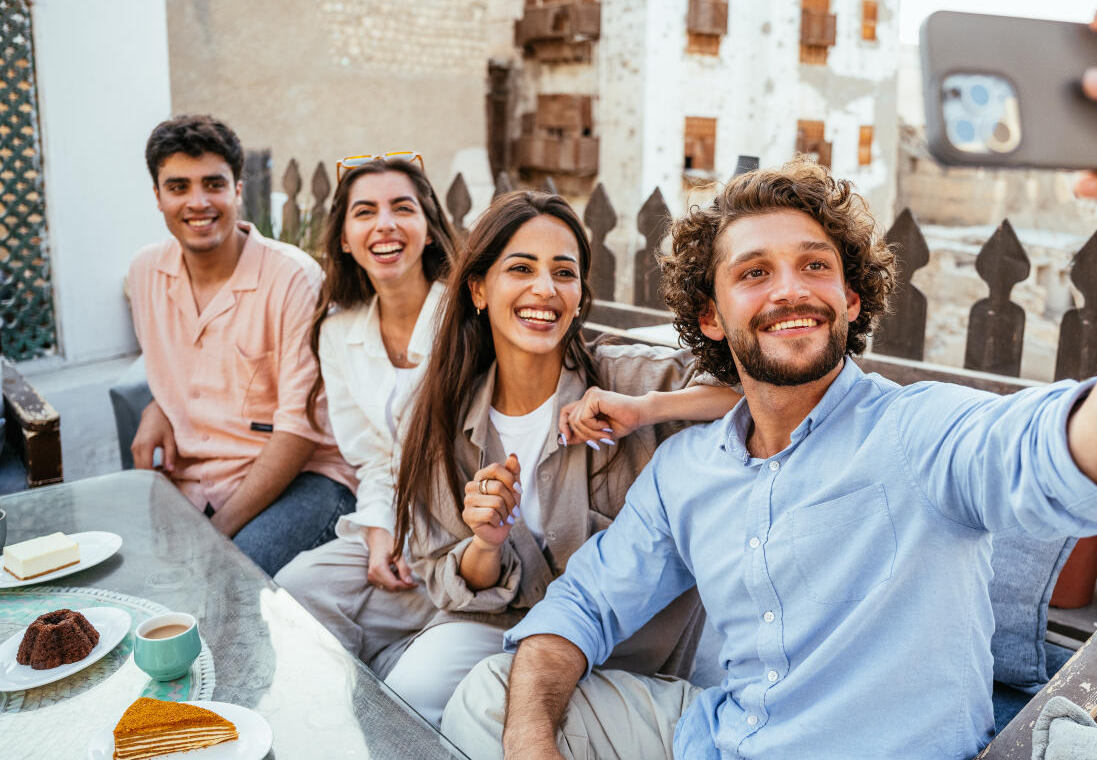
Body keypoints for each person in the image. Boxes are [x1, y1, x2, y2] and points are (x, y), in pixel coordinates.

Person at [443, 2, 1097, 759]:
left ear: (850, 299)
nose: (790, 289)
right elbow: (582, 607)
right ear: (711, 315)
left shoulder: (919, 435)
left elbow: (1091, 446)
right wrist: (530, 744)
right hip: (715, 733)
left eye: (815, 265)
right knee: (494, 694)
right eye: (754, 272)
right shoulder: (685, 471)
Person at [376, 190, 740, 727]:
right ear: (478, 289)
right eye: (521, 268)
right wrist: (486, 543)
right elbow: (449, 580)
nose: (545, 289)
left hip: (627, 651)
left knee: (499, 712)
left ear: (578, 294)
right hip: (503, 625)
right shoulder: (442, 418)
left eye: (563, 273)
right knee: (410, 692)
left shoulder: (627, 379)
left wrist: (646, 410)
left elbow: (757, 390)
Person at [127, 115, 357, 576]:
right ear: (157, 196)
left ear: (237, 190)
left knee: (224, 579)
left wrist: (214, 536)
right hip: (194, 480)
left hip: (304, 480)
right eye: (178, 187)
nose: (198, 202)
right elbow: (183, 370)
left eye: (213, 184)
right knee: (133, 575)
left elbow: (299, 431)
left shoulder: (293, 278)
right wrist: (158, 407)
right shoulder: (146, 272)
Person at [273, 154, 457, 677]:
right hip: (403, 521)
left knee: (415, 662)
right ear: (345, 240)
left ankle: (414, 659)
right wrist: (379, 530)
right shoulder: (337, 331)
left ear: (428, 229)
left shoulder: (467, 314)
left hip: (473, 529)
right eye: (365, 212)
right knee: (296, 587)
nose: (385, 224)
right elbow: (374, 458)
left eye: (403, 208)